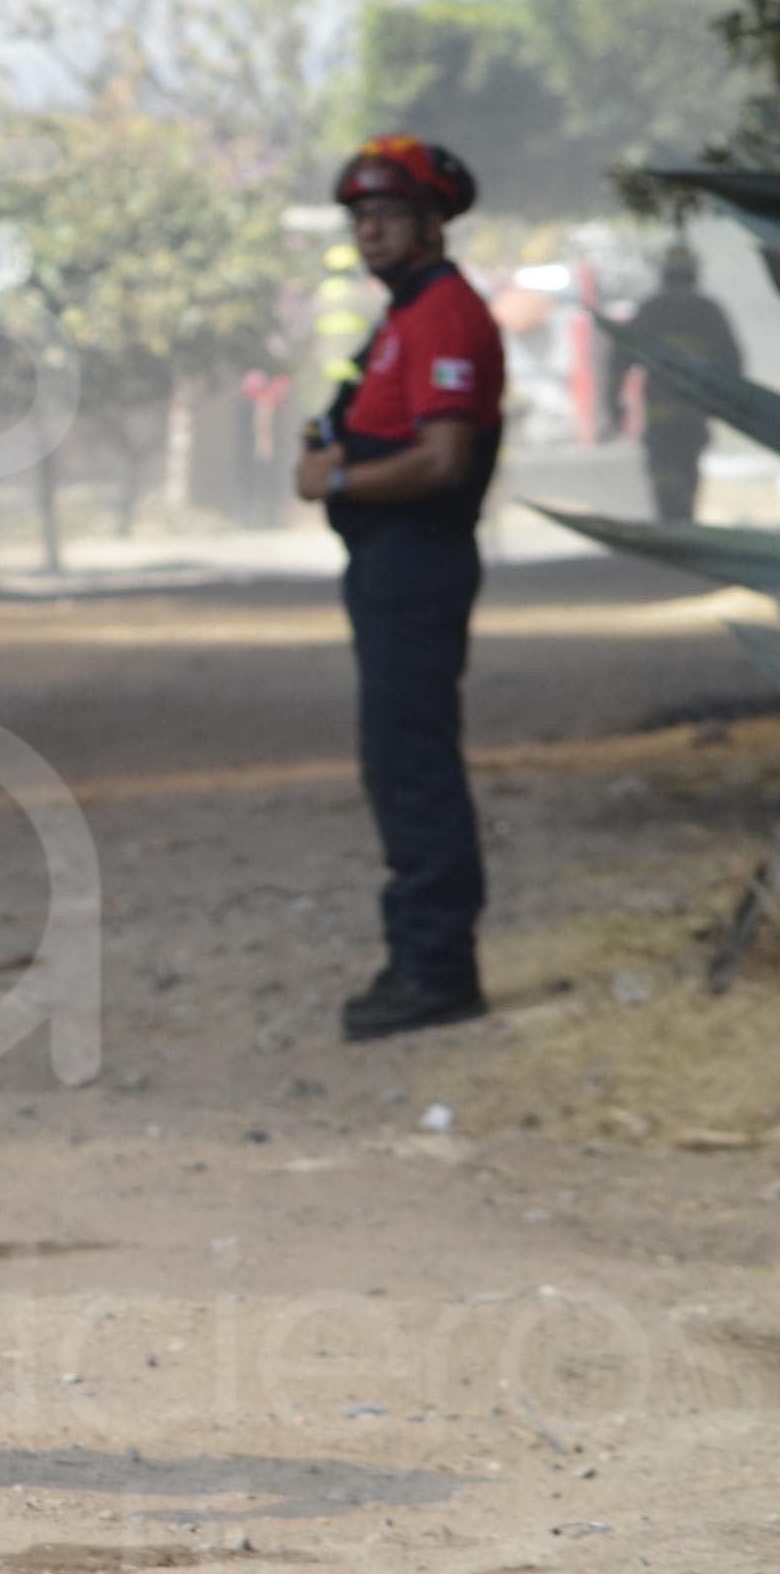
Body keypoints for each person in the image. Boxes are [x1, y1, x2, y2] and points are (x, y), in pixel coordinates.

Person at [293, 133, 501, 1041]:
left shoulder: (445, 315)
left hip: (418, 560)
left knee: (412, 763)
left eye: (387, 215)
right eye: (361, 217)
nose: (371, 232)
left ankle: (436, 969)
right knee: (395, 759)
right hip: (386, 564)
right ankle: (421, 958)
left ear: (431, 224)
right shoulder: (406, 314)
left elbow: (443, 458)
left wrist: (336, 477)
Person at [621, 242, 742, 525]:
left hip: (663, 415)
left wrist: (613, 403)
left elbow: (619, 358)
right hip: (692, 413)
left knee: (667, 470)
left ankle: (673, 521)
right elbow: (733, 364)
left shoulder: (652, 309)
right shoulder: (708, 311)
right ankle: (681, 520)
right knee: (685, 470)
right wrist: (727, 404)